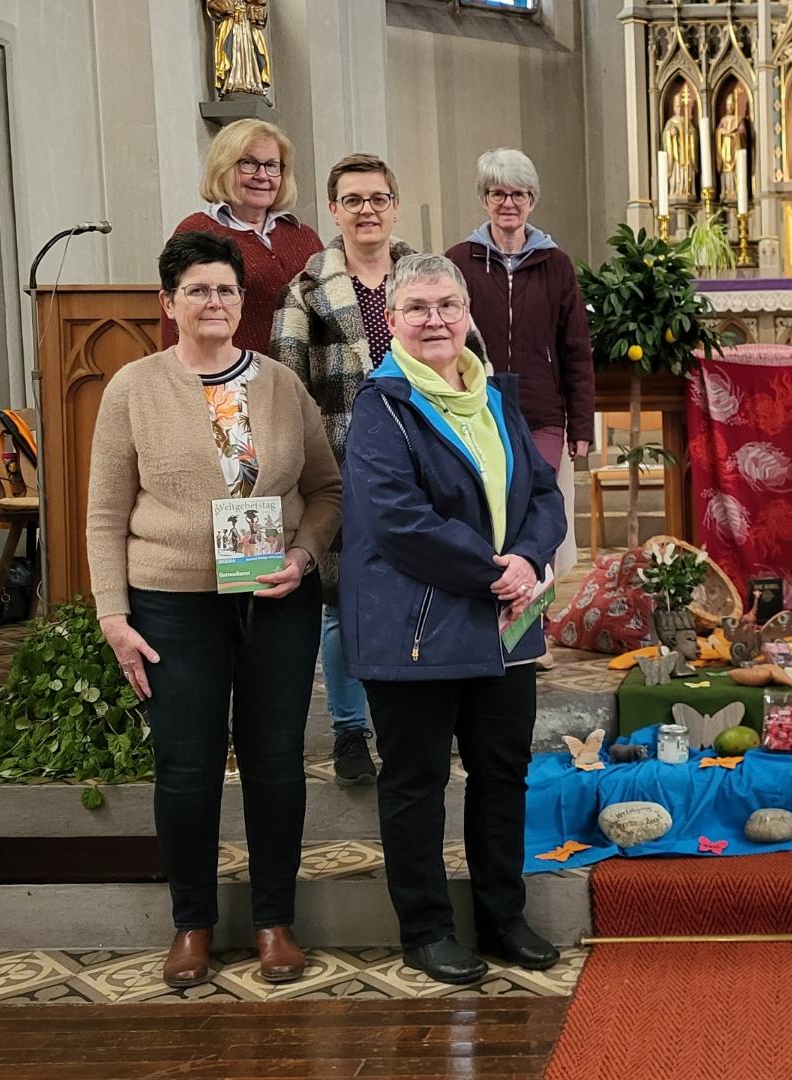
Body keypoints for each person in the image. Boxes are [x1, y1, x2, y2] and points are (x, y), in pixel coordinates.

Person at [88, 231, 342, 988]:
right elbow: (104, 512)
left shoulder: (280, 385)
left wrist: (302, 556)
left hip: (274, 599)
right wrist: (112, 615)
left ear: (242, 302)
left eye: (226, 290)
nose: (214, 302)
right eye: (197, 290)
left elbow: (327, 490)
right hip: (172, 604)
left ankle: (274, 924)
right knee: (187, 768)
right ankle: (192, 926)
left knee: (273, 764)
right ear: (168, 304)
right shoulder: (132, 388)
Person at [340, 252, 567, 984]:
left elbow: (542, 494)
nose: (434, 320)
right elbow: (398, 522)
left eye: (445, 306)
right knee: (417, 781)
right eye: (417, 308)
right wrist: (495, 571)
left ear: (467, 314)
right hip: (419, 626)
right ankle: (428, 929)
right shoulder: (382, 406)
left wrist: (530, 557)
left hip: (505, 622)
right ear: (394, 322)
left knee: (503, 774)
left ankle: (503, 916)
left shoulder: (496, 397)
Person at [272, 153, 480, 786]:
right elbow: (288, 386)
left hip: (428, 463)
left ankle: (424, 709)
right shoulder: (307, 288)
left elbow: (468, 361)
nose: (367, 210)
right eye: (353, 200)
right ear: (333, 212)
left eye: (378, 198)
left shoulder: (426, 276)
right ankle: (349, 730)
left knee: (429, 581)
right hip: (340, 465)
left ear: (394, 205)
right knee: (342, 601)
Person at [446, 148, 592, 584]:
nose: (508, 203)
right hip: (478, 408)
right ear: (484, 198)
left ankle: (535, 615)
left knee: (534, 508)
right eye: (497, 193)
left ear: (532, 200)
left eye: (518, 193)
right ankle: (494, 609)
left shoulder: (556, 264)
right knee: (490, 508)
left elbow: (576, 349)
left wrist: (581, 426)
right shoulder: (459, 259)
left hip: (542, 413)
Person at [160, 118, 324, 354]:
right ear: (223, 167)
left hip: (301, 381)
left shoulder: (304, 236)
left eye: (272, 165)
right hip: (229, 380)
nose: (262, 175)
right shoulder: (196, 231)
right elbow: (175, 323)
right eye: (248, 163)